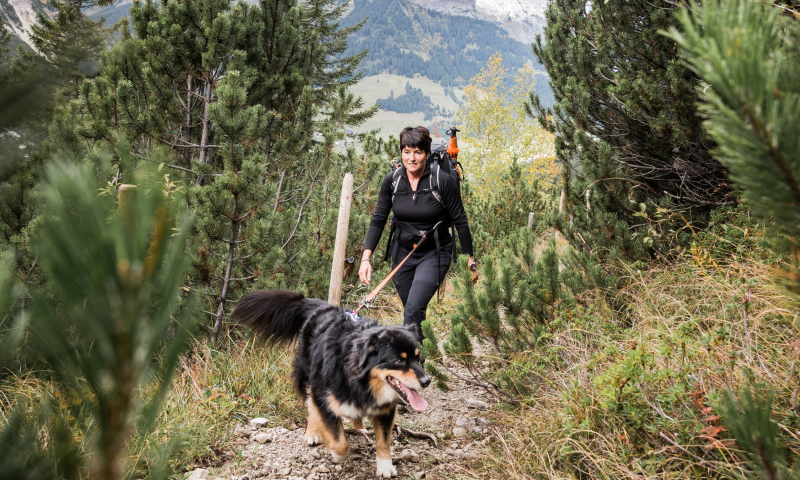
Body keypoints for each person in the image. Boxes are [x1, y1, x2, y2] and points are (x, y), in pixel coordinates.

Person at [359, 126, 477, 343]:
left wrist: (470, 259)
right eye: (406, 151)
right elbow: (378, 219)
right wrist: (365, 258)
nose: (411, 158)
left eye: (417, 152)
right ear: (401, 152)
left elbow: (460, 220)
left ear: (426, 153)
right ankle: (420, 354)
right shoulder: (392, 181)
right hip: (402, 253)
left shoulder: (442, 181)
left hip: (435, 252)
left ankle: (412, 363)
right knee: (412, 312)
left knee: (413, 309)